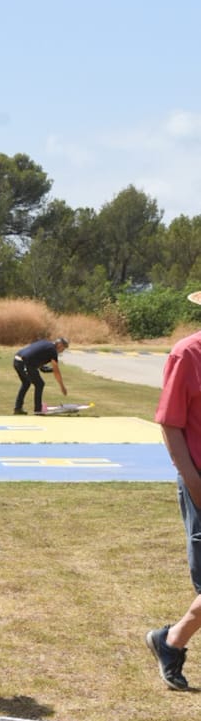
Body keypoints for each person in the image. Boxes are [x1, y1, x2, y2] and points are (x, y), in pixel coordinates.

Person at [146, 290, 201, 690]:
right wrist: (194, 480)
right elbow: (170, 422)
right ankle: (170, 641)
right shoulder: (188, 354)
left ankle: (170, 641)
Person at [12, 336, 69, 415]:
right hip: (25, 363)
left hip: (17, 360)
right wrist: (62, 387)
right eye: (64, 348)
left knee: (26, 383)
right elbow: (56, 370)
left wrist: (45, 369)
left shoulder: (46, 343)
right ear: (59, 345)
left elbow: (35, 355)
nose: (63, 351)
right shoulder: (53, 351)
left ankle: (18, 408)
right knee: (40, 384)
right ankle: (38, 410)